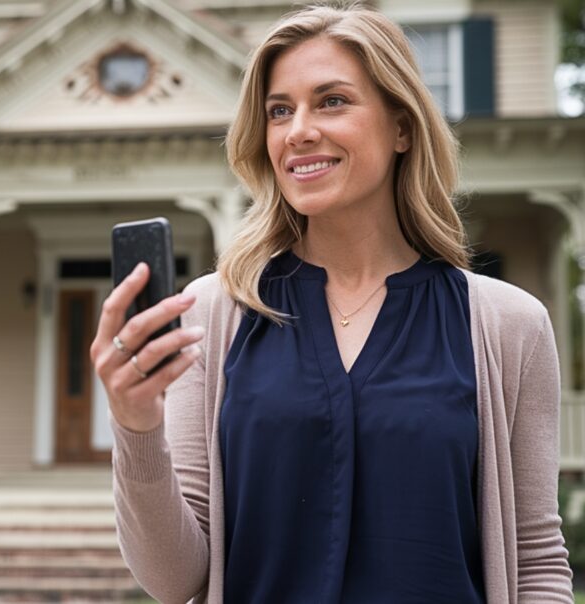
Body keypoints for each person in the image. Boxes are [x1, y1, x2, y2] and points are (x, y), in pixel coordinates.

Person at [90, 3, 575, 603]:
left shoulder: (507, 325)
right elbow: (174, 580)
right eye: (279, 110)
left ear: (402, 127)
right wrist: (136, 426)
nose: (298, 131)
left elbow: (535, 560)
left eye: (332, 101)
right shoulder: (212, 314)